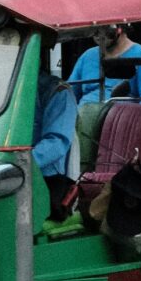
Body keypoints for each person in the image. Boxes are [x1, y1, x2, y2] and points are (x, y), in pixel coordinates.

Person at [68, 20, 141, 102]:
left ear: (120, 27)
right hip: (84, 117)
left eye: (104, 27)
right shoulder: (88, 56)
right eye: (94, 28)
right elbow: (69, 94)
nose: (97, 34)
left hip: (119, 118)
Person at [32, 61, 81, 216]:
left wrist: (20, 162)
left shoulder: (58, 91)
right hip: (5, 171)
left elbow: (57, 142)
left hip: (45, 178)